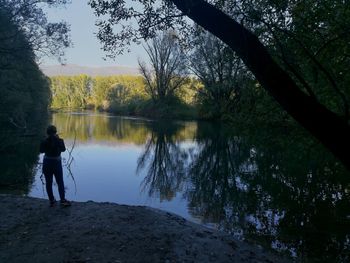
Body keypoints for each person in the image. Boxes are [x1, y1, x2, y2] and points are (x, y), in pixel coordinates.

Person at [40, 125, 71, 207]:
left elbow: (41, 151)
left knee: (48, 182)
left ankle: (52, 201)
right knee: (60, 181)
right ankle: (63, 200)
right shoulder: (60, 140)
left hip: (47, 162)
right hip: (56, 163)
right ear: (55, 132)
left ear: (47, 132)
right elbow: (63, 149)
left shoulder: (44, 141)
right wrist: (57, 139)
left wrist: (46, 141)